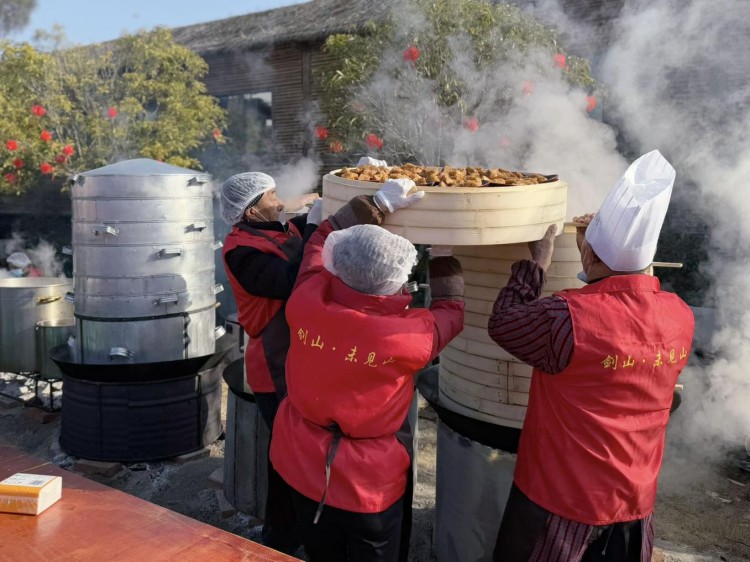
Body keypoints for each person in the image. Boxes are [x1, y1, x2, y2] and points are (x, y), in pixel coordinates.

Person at [487, 150, 695, 562]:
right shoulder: (681, 316)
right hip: (634, 501)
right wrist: (596, 252)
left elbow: (504, 323)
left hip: (559, 503)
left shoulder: (566, 317)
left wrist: (537, 264)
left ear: (590, 255)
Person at [268, 178, 465, 562]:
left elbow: (319, 239)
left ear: (338, 266)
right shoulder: (409, 335)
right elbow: (452, 310)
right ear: (394, 285)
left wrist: (374, 203)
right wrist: (443, 255)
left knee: (319, 546)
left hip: (299, 457)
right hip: (368, 483)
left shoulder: (306, 298)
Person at [220, 171, 322, 554]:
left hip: (300, 355)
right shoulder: (240, 252)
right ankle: (280, 541)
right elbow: (290, 280)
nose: (279, 201)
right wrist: (316, 227)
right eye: (271, 195)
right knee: (288, 457)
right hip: (273, 365)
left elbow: (300, 220)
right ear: (250, 209)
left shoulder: (278, 229)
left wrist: (328, 206)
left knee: (301, 452)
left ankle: (298, 533)